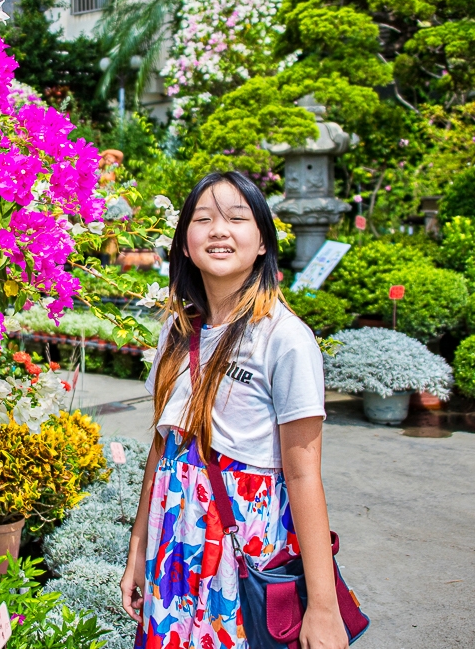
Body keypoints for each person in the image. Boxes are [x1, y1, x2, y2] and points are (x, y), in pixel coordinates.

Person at [120, 172, 349, 649]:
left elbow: (305, 476)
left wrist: (324, 608)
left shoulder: (284, 338)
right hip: (174, 546)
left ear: (263, 241)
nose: (219, 230)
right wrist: (137, 550)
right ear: (184, 244)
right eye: (203, 219)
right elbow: (162, 447)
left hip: (242, 544)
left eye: (236, 218)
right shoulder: (178, 332)